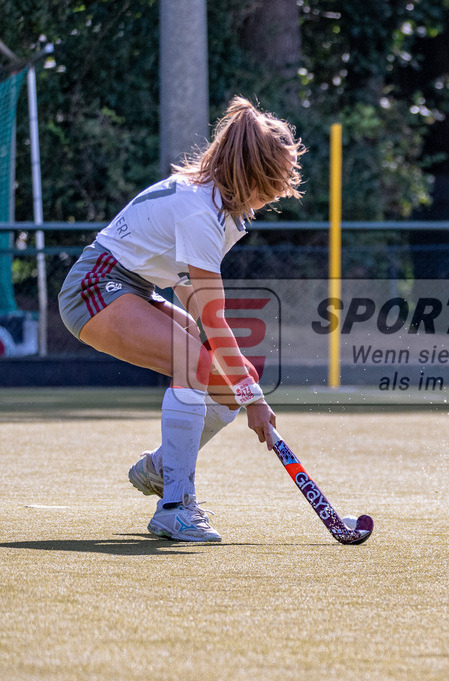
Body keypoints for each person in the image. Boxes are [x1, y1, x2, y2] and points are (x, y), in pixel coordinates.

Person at [58, 96, 305, 541]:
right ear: (258, 172)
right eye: (280, 175)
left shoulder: (218, 207)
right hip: (94, 288)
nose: (282, 186)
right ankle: (174, 506)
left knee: (228, 379)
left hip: (133, 287)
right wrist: (255, 400)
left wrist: (242, 386)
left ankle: (161, 468)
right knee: (196, 364)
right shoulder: (200, 211)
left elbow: (184, 284)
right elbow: (213, 316)